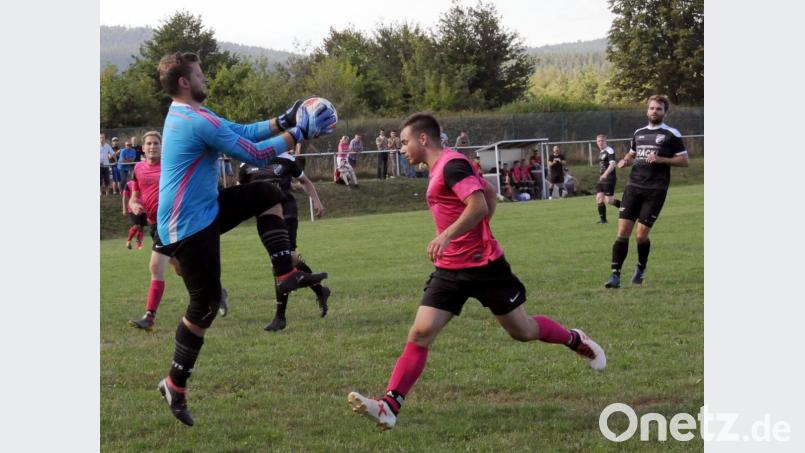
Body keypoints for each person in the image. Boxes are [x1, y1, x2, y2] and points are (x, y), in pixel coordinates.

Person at [347, 113, 606, 430]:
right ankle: (389, 406)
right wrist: (470, 233)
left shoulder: (452, 165)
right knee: (420, 333)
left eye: (404, 142)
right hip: (449, 269)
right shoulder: (442, 167)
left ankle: (574, 339)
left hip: (485, 268)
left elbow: (479, 204)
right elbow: (489, 193)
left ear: (423, 139)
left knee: (522, 331)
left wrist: (450, 236)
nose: (401, 149)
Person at [153, 51, 333, 426]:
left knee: (269, 193)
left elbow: (243, 132)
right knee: (204, 306)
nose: (205, 78)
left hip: (203, 209)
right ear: (184, 82)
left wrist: (284, 119)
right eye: (199, 74)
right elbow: (254, 152)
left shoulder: (193, 114)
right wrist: (299, 133)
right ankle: (174, 384)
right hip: (188, 224)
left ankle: (286, 272)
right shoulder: (195, 121)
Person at [126, 131, 228, 331]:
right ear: (143, 148)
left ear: (162, 146)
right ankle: (217, 293)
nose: (152, 147)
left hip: (174, 223)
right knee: (182, 268)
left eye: (156, 143)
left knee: (156, 267)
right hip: (155, 225)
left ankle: (149, 317)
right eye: (149, 143)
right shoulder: (138, 168)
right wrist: (134, 203)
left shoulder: (171, 165)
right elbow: (134, 195)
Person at [604, 95, 689, 289]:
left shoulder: (671, 134)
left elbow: (684, 161)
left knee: (641, 236)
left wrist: (661, 159)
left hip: (655, 190)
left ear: (664, 112)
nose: (654, 111)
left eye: (658, 109)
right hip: (633, 187)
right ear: (647, 110)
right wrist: (626, 160)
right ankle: (615, 275)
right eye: (652, 108)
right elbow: (633, 154)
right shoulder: (639, 132)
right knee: (622, 232)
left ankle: (641, 267)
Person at [238, 154, 331, 331]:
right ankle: (321, 291)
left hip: (287, 211)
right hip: (265, 218)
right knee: (289, 261)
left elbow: (305, 181)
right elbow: (240, 190)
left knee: (283, 261)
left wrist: (317, 201)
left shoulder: (286, 158)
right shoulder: (246, 162)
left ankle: (280, 318)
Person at [595, 134, 621, 223]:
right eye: (599, 141)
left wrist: (605, 174)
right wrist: (601, 175)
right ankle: (603, 221)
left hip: (609, 178)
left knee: (609, 200)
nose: (600, 143)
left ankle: (628, 209)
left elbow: (613, 164)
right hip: (602, 178)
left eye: (602, 141)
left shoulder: (609, 150)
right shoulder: (601, 152)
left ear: (605, 141)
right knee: (599, 197)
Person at [121, 179, 146, 249]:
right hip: (133, 208)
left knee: (141, 227)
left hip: (144, 208)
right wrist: (124, 208)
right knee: (136, 225)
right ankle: (128, 241)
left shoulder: (144, 181)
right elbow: (125, 196)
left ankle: (139, 244)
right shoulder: (129, 184)